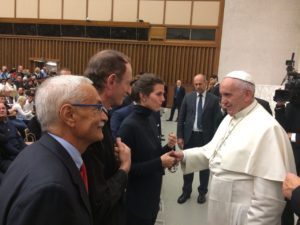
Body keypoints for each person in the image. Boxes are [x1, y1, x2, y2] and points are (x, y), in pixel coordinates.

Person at [171, 70, 296, 225]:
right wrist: (184, 156)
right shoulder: (231, 118)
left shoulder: (268, 129)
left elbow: (268, 201)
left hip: (242, 216)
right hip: (222, 210)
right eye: (221, 95)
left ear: (248, 95)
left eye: (228, 95)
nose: (222, 101)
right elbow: (213, 152)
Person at [0, 75, 108, 225]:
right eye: (97, 108)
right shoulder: (52, 189)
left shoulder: (35, 153)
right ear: (69, 115)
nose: (104, 117)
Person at [117, 74, 177, 225]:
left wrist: (168, 147)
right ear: (143, 96)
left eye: (163, 94)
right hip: (136, 202)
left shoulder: (150, 118)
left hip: (152, 196)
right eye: (159, 94)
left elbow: (152, 154)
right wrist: (159, 163)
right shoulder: (129, 126)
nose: (163, 99)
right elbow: (126, 170)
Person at [83, 49, 132, 225]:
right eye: (127, 83)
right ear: (111, 81)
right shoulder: (90, 128)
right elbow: (99, 202)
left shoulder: (102, 117)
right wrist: (124, 167)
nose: (129, 90)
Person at [176, 74, 222, 204]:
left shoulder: (213, 100)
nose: (198, 86)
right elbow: (181, 118)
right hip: (189, 137)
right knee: (188, 165)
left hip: (206, 138)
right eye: (195, 84)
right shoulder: (188, 97)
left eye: (200, 84)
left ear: (206, 83)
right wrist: (180, 136)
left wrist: (215, 140)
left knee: (204, 168)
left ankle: (202, 192)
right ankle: (186, 191)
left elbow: (216, 121)